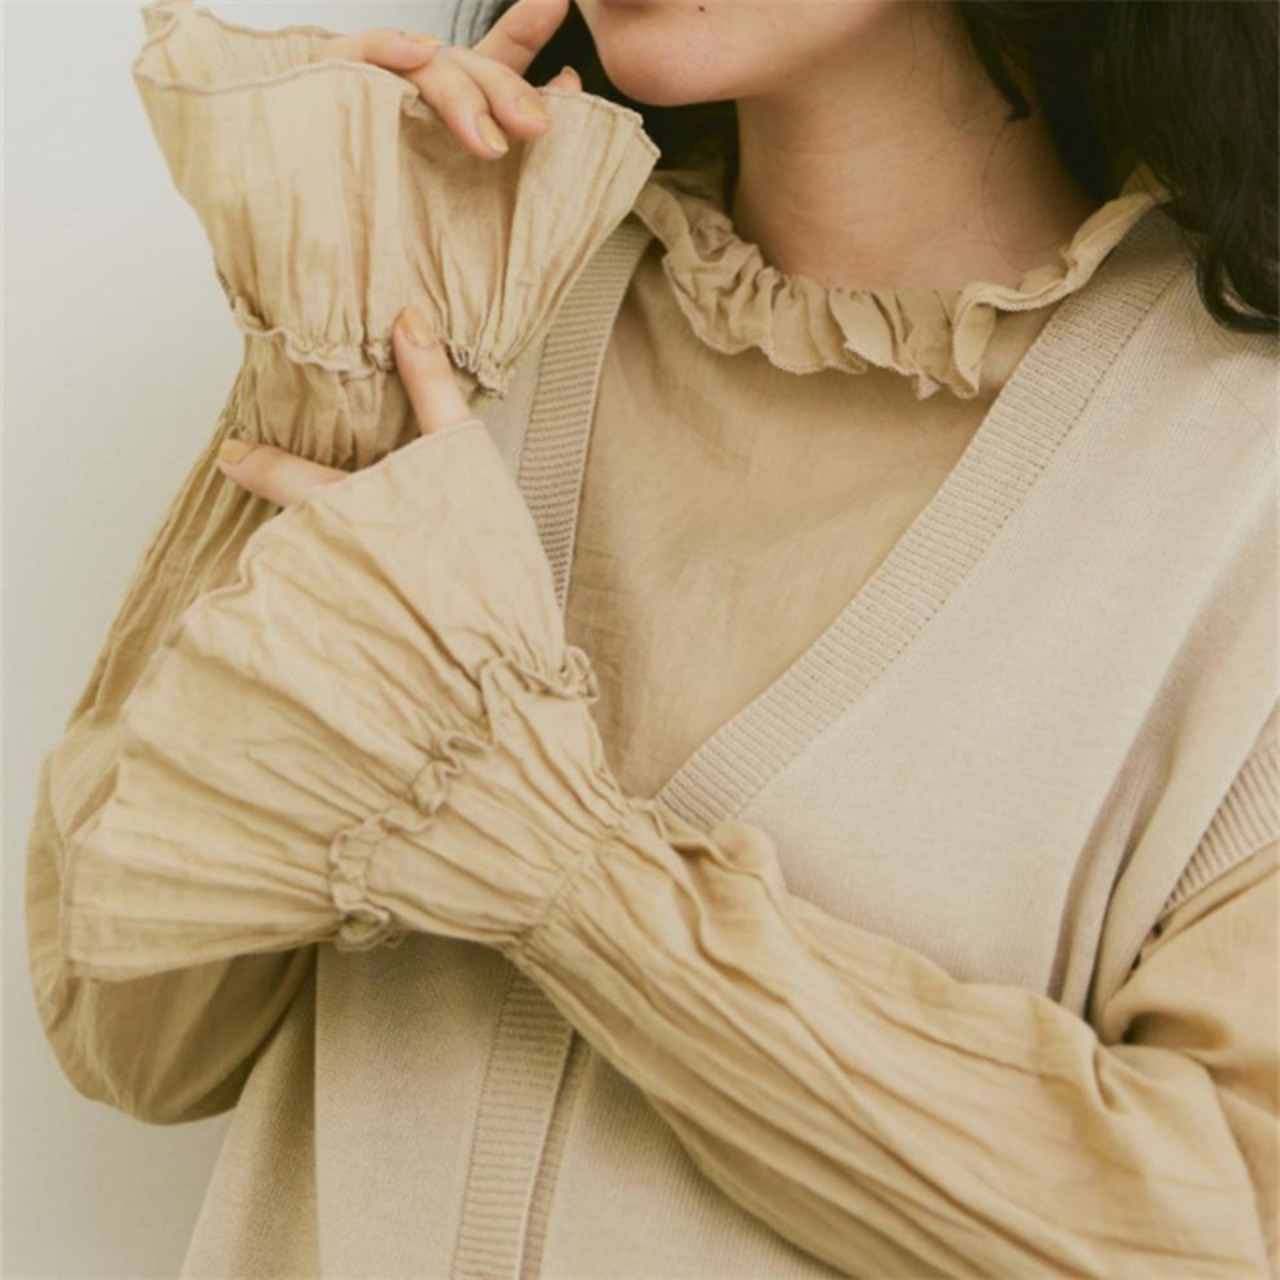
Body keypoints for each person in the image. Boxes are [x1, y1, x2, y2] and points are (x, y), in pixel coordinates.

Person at [25, 0, 1278, 1275]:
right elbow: (131, 1030)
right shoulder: (470, 303)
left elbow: (1208, 1235)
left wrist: (551, 854)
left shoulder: (1237, 489)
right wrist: (330, 313)